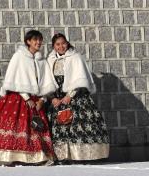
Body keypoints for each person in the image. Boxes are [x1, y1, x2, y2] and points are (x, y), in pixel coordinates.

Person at [0, 30, 57, 165]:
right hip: (18, 97)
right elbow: (13, 78)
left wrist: (42, 99)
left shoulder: (42, 60)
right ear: (28, 42)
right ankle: (10, 157)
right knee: (16, 127)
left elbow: (46, 83)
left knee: (36, 129)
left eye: (40, 40)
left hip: (36, 100)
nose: (38, 43)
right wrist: (26, 98)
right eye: (35, 40)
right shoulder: (19, 57)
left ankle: (36, 158)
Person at [46, 33, 109, 162]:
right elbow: (46, 81)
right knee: (58, 127)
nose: (61, 46)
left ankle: (81, 156)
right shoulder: (50, 59)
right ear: (53, 46)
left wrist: (70, 95)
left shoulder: (76, 57)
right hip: (57, 99)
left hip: (75, 97)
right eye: (58, 44)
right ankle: (62, 156)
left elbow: (80, 78)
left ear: (67, 43)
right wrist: (52, 98)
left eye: (63, 43)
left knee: (78, 126)